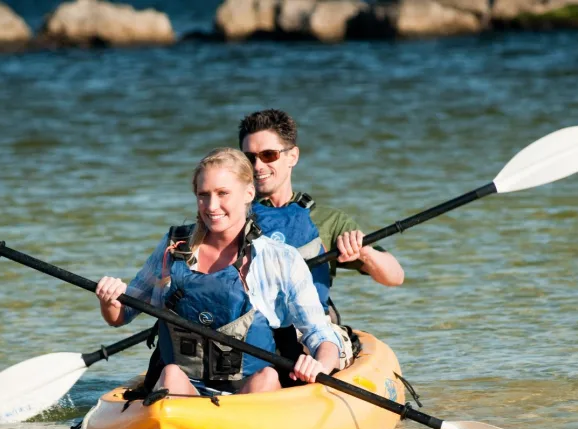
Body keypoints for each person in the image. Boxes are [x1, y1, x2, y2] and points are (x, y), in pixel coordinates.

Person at [94, 148, 341, 396]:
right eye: (203, 195)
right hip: (185, 392)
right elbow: (120, 316)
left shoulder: (280, 258)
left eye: (223, 193)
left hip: (252, 394)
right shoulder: (174, 249)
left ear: (248, 193)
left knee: (266, 377)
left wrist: (318, 364)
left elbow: (320, 334)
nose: (211, 206)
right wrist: (109, 298)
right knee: (170, 374)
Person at [238, 109, 405, 323]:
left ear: (292, 156)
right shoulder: (231, 215)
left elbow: (395, 277)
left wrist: (364, 252)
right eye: (249, 157)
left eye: (269, 155)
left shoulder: (327, 220)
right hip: (253, 328)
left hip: (310, 331)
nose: (258, 166)